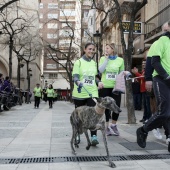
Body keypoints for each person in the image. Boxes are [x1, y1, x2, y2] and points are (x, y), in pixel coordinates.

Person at [136, 21, 170, 152]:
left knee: (168, 112)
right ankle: (143, 130)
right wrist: (148, 79)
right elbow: (152, 62)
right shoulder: (160, 41)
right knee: (164, 111)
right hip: (162, 79)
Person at [72, 42, 103, 146]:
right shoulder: (78, 62)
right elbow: (75, 76)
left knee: (93, 115)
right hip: (80, 93)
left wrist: (99, 82)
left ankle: (93, 136)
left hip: (92, 93)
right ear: (84, 49)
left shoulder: (94, 63)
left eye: (93, 49)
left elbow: (95, 77)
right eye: (89, 49)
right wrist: (78, 82)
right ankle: (77, 133)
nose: (91, 51)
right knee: (80, 116)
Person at [99, 43, 124, 136]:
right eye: (105, 48)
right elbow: (100, 70)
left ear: (113, 49)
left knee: (116, 106)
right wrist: (106, 59)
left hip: (116, 87)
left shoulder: (120, 60)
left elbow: (121, 72)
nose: (106, 50)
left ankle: (113, 125)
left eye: (107, 48)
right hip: (105, 86)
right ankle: (107, 127)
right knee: (106, 107)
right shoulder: (102, 58)